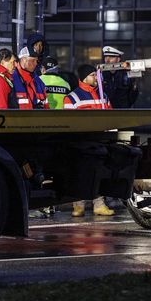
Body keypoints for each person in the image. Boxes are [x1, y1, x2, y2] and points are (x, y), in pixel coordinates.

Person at [64, 64, 114, 217]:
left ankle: (99, 204)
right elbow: (68, 123)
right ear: (85, 78)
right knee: (80, 173)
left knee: (98, 173)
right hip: (80, 142)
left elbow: (111, 115)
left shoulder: (102, 95)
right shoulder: (72, 97)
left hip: (99, 140)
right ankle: (78, 205)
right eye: (93, 75)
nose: (96, 78)